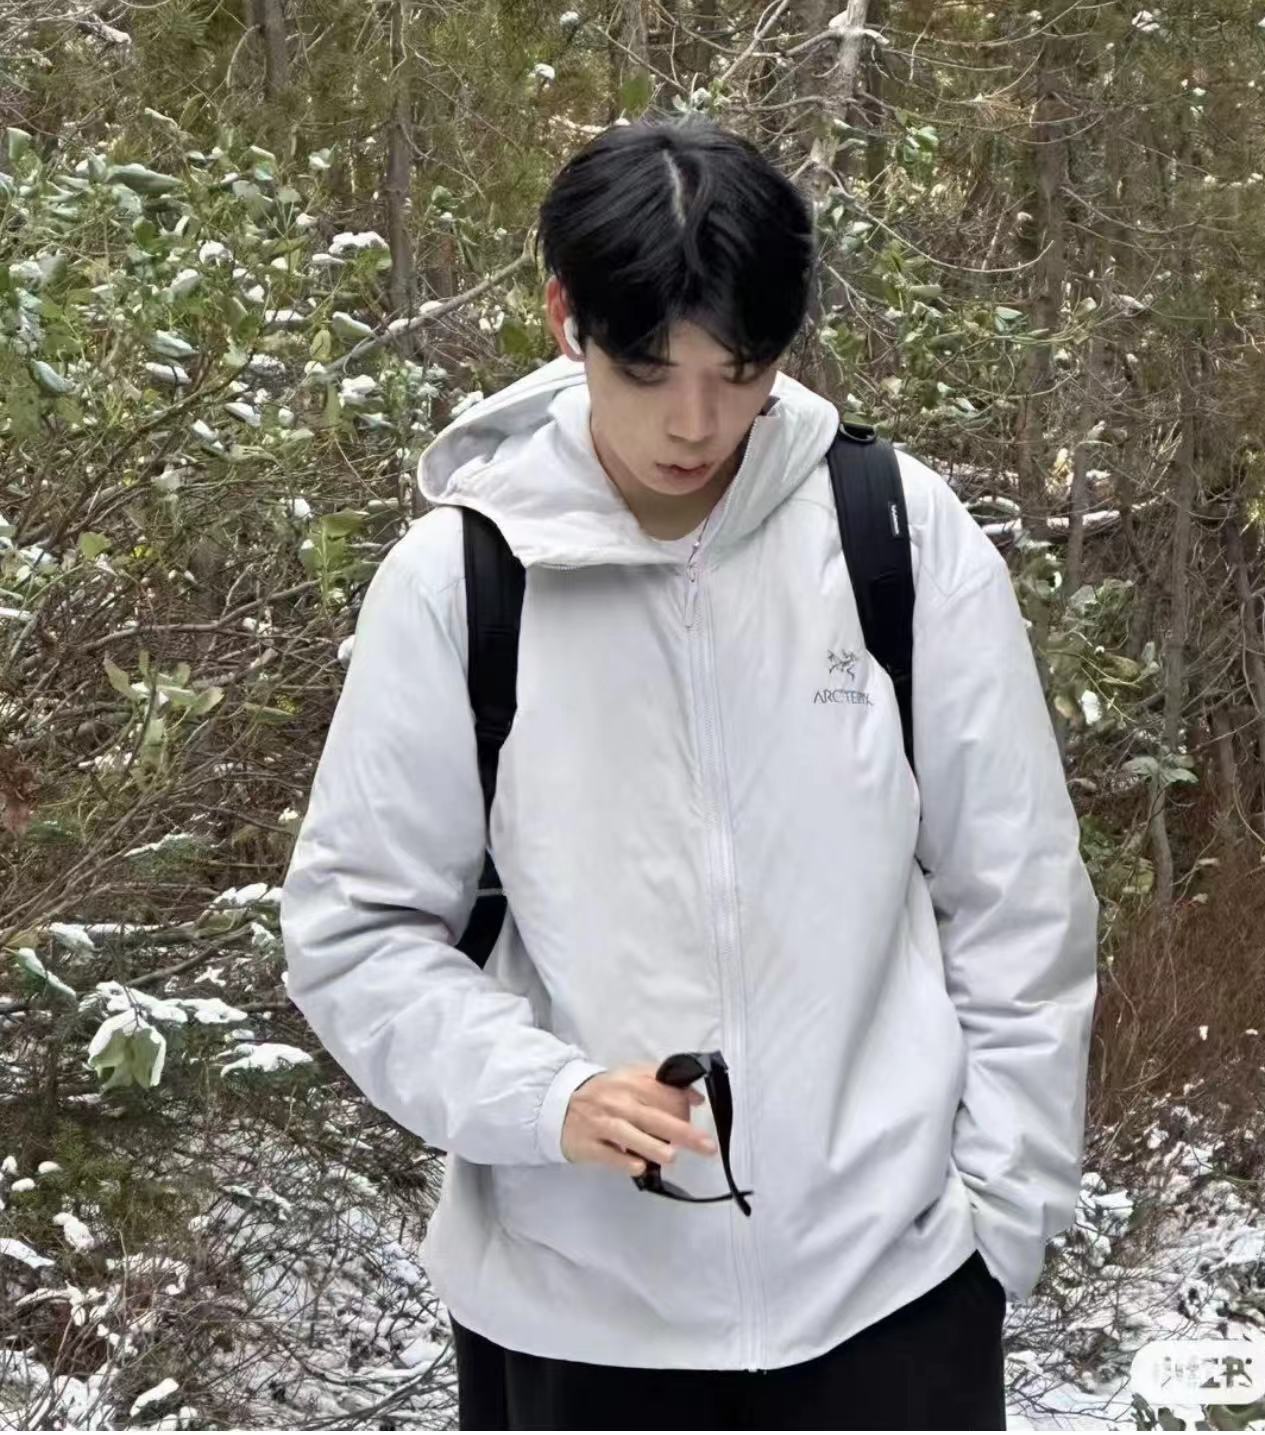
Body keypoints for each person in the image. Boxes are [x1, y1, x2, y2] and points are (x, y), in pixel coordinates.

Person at [279, 117, 1099, 1431]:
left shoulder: (892, 534)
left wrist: (999, 1223)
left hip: (893, 1306)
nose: (697, 422)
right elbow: (355, 929)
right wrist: (545, 1097)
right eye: (650, 369)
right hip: (575, 1323)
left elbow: (1019, 899)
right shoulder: (463, 582)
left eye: (741, 371)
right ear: (568, 319)